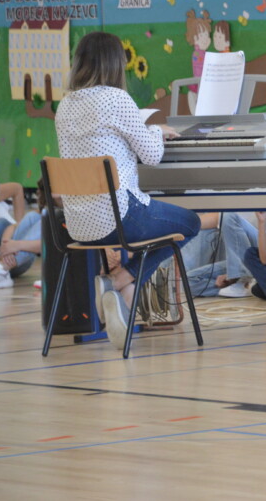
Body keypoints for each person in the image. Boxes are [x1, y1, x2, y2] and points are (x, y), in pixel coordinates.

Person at [54, 32, 200, 350]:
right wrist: (154, 130)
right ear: (116, 63)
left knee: (155, 222)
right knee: (191, 222)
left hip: (78, 225)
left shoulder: (64, 105)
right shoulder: (116, 99)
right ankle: (120, 280)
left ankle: (121, 289)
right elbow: (152, 155)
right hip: (118, 217)